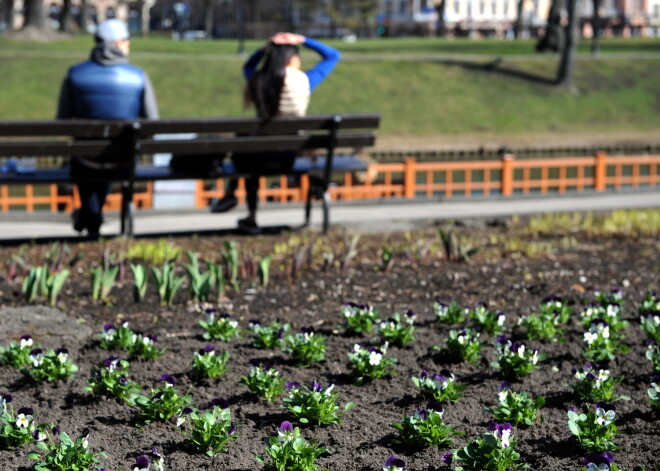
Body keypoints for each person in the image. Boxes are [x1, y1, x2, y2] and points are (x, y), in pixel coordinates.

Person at [210, 32, 340, 235]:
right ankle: (232, 196)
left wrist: (265, 47)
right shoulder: (305, 81)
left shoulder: (258, 80)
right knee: (248, 148)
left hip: (256, 158)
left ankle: (245, 209)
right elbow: (333, 56)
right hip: (287, 157)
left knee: (246, 146)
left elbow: (248, 66)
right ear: (291, 58)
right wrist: (303, 40)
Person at [56, 19, 159, 237]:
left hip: (84, 160)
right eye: (127, 41)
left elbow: (62, 121)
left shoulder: (75, 74)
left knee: (87, 157)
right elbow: (152, 124)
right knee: (109, 159)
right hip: (123, 161)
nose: (129, 46)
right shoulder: (138, 76)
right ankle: (91, 216)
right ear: (117, 43)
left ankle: (90, 216)